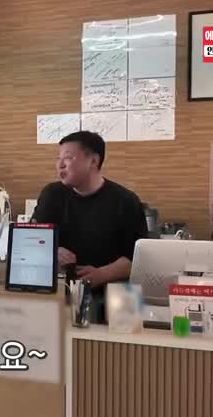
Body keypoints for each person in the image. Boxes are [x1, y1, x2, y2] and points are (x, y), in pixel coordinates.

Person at [30, 130, 147, 322]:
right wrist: (51, 249)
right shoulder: (52, 194)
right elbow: (31, 237)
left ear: (93, 161)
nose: (60, 164)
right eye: (58, 158)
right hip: (60, 292)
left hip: (115, 298)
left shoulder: (125, 201)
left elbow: (138, 259)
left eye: (68, 158)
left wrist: (101, 274)